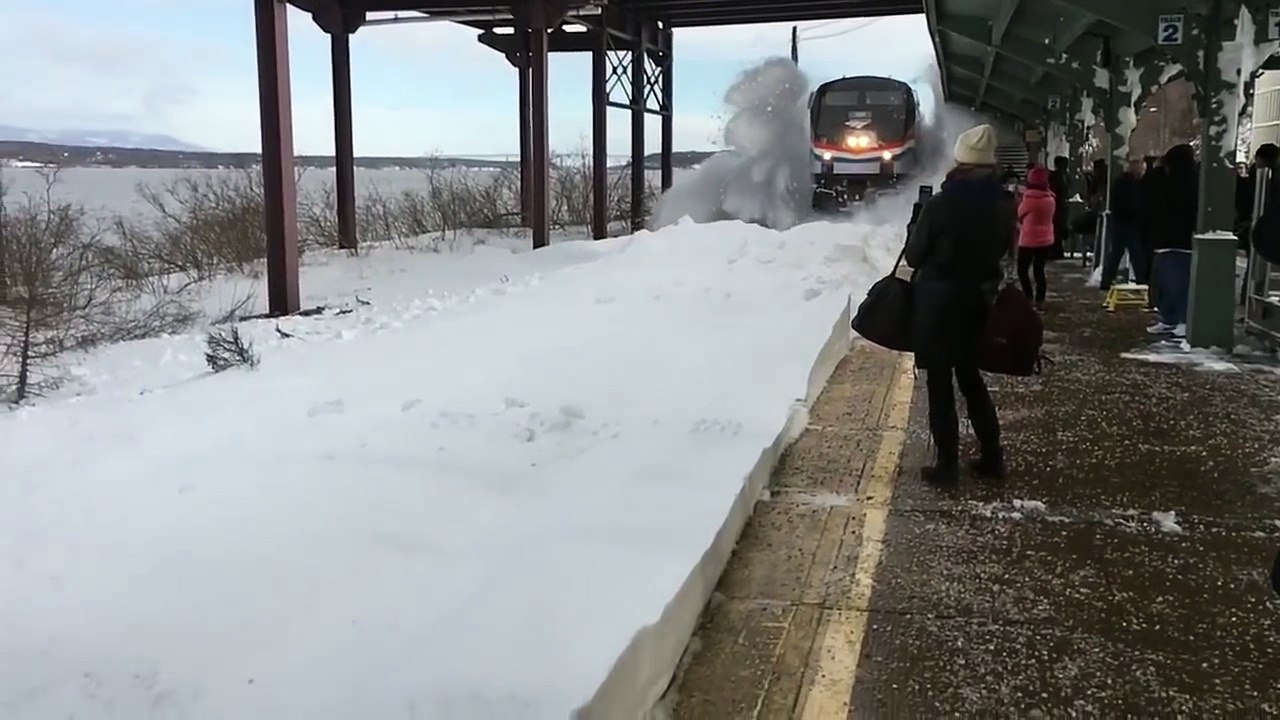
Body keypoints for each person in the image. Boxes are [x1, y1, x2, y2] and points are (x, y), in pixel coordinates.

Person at [904, 123, 1014, 485]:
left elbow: (916, 255)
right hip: (978, 301)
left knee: (939, 382)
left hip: (938, 304)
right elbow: (1002, 250)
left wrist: (916, 222)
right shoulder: (1003, 202)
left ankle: (947, 465)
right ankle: (992, 455)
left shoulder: (940, 204)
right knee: (970, 378)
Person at [1148, 143, 1199, 338]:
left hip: (1177, 240)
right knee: (1168, 283)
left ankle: (1181, 320)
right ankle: (1170, 318)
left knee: (1176, 283)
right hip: (1170, 238)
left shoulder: (1182, 183)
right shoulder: (1182, 181)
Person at [1100, 157, 1148, 291]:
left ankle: (1106, 281)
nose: (1144, 172)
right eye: (1143, 169)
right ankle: (1141, 282)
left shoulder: (1121, 182)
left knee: (1116, 253)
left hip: (1119, 222)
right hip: (1129, 223)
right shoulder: (1132, 185)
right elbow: (1132, 204)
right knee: (1136, 254)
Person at [1017, 165, 1056, 310]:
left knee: (1022, 270)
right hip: (1046, 239)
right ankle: (1040, 300)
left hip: (1028, 240)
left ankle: (1028, 296)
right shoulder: (1050, 199)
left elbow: (1019, 215)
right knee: (1039, 271)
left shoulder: (1028, 200)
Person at [1049, 156, 1070, 260]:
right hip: (1056, 205)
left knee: (1059, 228)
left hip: (1061, 205)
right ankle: (1055, 251)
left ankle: (1057, 250)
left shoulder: (1064, 176)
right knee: (1056, 229)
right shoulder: (1055, 176)